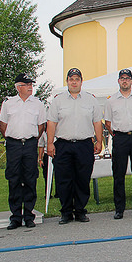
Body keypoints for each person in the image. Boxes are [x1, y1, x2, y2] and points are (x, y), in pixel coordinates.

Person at [47, 68, 103, 224]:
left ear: (81, 82)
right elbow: (51, 123)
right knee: (63, 180)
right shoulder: (58, 100)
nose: (74, 82)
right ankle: (66, 212)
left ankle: (80, 211)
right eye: (71, 79)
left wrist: (99, 141)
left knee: (82, 179)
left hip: (84, 144)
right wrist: (50, 143)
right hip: (63, 145)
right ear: (67, 82)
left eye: (77, 79)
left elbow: (97, 122)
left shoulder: (91, 100)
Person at [0, 73, 46, 229]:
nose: (30, 87)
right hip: (14, 145)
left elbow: (41, 126)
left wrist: (31, 139)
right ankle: (16, 216)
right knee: (14, 179)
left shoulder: (38, 104)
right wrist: (14, 138)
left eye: (31, 84)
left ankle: (29, 215)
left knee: (30, 178)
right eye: (26, 85)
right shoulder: (8, 103)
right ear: (18, 87)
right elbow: (3, 126)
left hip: (30, 144)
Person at [104, 68, 132, 218]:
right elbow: (108, 123)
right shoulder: (111, 100)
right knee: (119, 175)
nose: (125, 81)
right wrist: (117, 135)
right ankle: (119, 209)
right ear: (118, 81)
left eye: (127, 78)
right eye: (122, 78)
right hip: (120, 139)